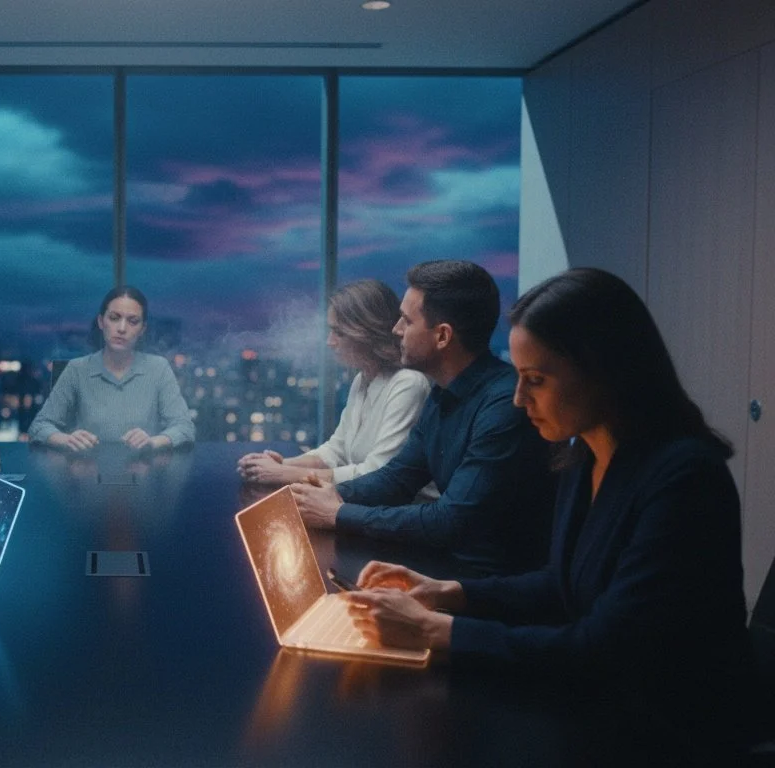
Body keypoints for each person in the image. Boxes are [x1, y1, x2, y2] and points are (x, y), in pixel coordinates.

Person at [342, 267, 755, 759]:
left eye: (535, 380)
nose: (519, 399)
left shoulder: (685, 479)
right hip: (601, 704)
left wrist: (436, 630)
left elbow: (605, 649)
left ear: (602, 372)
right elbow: (562, 582)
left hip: (662, 734)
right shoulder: (585, 454)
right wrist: (447, 592)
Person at [289, 260, 554, 575]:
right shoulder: (443, 392)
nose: (396, 330)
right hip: (451, 568)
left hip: (486, 584)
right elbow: (397, 478)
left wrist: (337, 512)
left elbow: (450, 520)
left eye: (406, 320)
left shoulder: (504, 405)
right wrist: (327, 495)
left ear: (442, 336)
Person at [237, 279, 430, 489]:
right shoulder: (363, 379)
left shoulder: (409, 385)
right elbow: (335, 451)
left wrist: (286, 473)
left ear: (365, 333)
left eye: (339, 332)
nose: (330, 342)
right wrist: (282, 464)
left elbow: (378, 474)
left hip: (404, 508)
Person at [27, 286, 194, 451]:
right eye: (114, 318)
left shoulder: (158, 368)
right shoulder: (77, 369)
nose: (122, 328)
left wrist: (152, 442)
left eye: (133, 321)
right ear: (101, 322)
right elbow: (39, 427)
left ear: (142, 329)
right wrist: (67, 440)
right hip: (86, 466)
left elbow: (185, 428)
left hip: (142, 466)